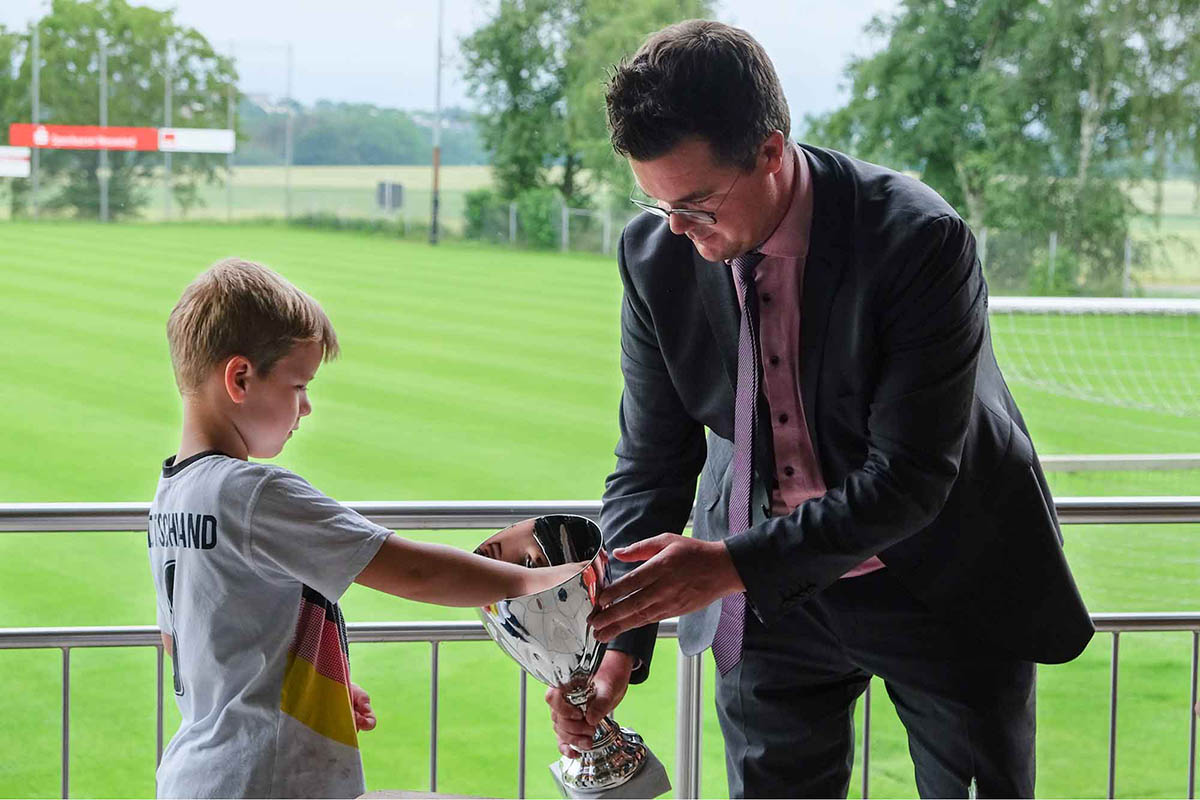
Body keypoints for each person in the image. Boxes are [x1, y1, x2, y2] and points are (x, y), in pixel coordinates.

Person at [545, 20, 1094, 798]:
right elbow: (652, 462)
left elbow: (909, 478)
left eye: (698, 202)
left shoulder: (919, 240)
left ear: (771, 151)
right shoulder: (655, 255)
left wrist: (728, 565)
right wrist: (619, 646)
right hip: (764, 604)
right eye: (656, 201)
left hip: (938, 575)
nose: (677, 229)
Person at [149, 258, 572, 799]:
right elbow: (412, 570)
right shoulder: (253, 493)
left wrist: (315, 689)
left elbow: (184, 640)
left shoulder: (173, 495)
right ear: (239, 378)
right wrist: (532, 582)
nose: (305, 407)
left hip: (201, 775)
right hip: (267, 778)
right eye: (298, 385)